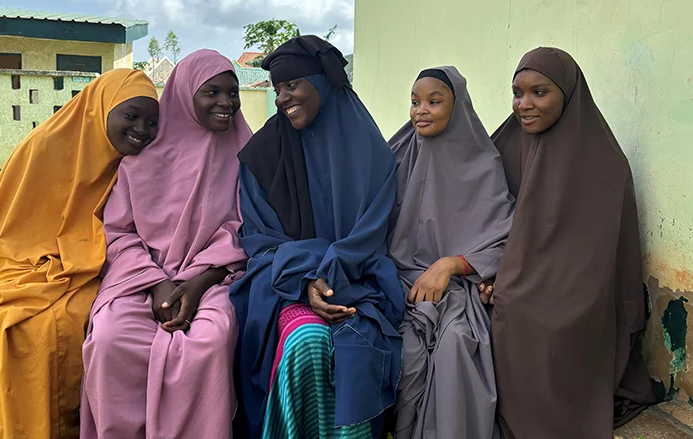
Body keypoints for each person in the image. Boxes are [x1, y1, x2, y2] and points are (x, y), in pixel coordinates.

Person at [0, 69, 159, 439]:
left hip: (101, 265)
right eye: (130, 116)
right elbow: (9, 232)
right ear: (100, 109)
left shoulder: (143, 161)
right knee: (10, 326)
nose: (142, 129)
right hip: (30, 263)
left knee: (76, 321)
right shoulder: (45, 146)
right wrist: (53, 261)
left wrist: (86, 254)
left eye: (152, 122)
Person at [230, 35, 406, 439]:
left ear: (321, 82)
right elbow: (259, 239)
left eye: (292, 85)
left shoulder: (369, 150)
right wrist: (308, 279)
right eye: (277, 89)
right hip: (285, 285)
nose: (282, 98)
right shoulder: (263, 156)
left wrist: (332, 274)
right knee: (306, 342)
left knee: (355, 350)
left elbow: (372, 231)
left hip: (360, 280)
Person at [79, 49, 252, 439]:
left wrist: (198, 282)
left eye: (232, 92)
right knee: (109, 338)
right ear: (185, 94)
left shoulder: (248, 155)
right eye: (212, 92)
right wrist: (158, 283)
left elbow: (246, 229)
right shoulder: (140, 160)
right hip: (139, 278)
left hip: (213, 278)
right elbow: (119, 232)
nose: (225, 103)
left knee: (208, 341)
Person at [490, 47, 656, 438]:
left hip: (577, 291)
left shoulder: (605, 163)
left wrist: (511, 281)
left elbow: (596, 262)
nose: (524, 105)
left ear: (568, 93)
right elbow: (484, 222)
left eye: (539, 93)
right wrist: (488, 270)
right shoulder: (503, 147)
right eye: (517, 93)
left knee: (521, 311)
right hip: (509, 273)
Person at [388, 66, 514, 439]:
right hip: (400, 279)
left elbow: (505, 236)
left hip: (461, 287)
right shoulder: (396, 156)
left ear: (456, 106)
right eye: (414, 102)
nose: (420, 110)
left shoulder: (484, 163)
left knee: (457, 342)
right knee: (408, 349)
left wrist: (452, 265)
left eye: (434, 101)